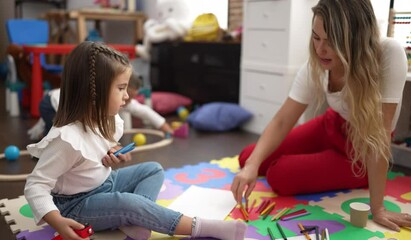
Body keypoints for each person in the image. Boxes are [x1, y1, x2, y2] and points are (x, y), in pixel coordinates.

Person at [231, 0, 411, 233]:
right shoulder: (316, 63)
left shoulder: (388, 54)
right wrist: (252, 166)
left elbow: (380, 138)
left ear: (355, 39)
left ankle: (355, 176)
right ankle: (315, 162)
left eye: (331, 41)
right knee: (248, 158)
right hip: (331, 126)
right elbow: (283, 120)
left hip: (362, 148)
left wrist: (378, 208)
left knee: (279, 174)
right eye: (316, 37)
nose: (320, 49)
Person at [24, 41, 247, 240]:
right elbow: (36, 185)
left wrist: (112, 152)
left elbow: (95, 152)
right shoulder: (67, 140)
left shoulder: (108, 121)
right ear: (94, 94)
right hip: (75, 206)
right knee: (130, 203)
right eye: (121, 88)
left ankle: (133, 220)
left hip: (104, 186)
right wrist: (57, 221)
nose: (127, 96)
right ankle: (201, 227)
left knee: (153, 169)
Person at [27, 72, 173, 140]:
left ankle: (43, 133)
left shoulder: (124, 100)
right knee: (57, 132)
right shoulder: (95, 102)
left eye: (132, 97)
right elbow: (82, 124)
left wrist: (164, 126)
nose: (128, 99)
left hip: (61, 103)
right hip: (51, 103)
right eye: (123, 91)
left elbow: (145, 112)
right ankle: (44, 147)